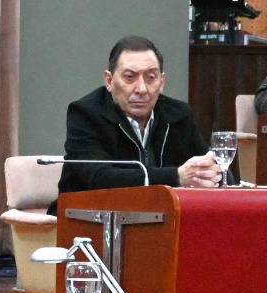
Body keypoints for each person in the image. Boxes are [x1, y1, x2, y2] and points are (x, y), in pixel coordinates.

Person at [60, 37, 225, 194]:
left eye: (151, 78)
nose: (141, 89)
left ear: (162, 82)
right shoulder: (86, 114)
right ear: (109, 80)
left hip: (162, 212)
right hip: (88, 210)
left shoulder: (179, 115)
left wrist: (213, 173)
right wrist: (176, 176)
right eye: (129, 77)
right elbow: (100, 178)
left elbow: (213, 169)